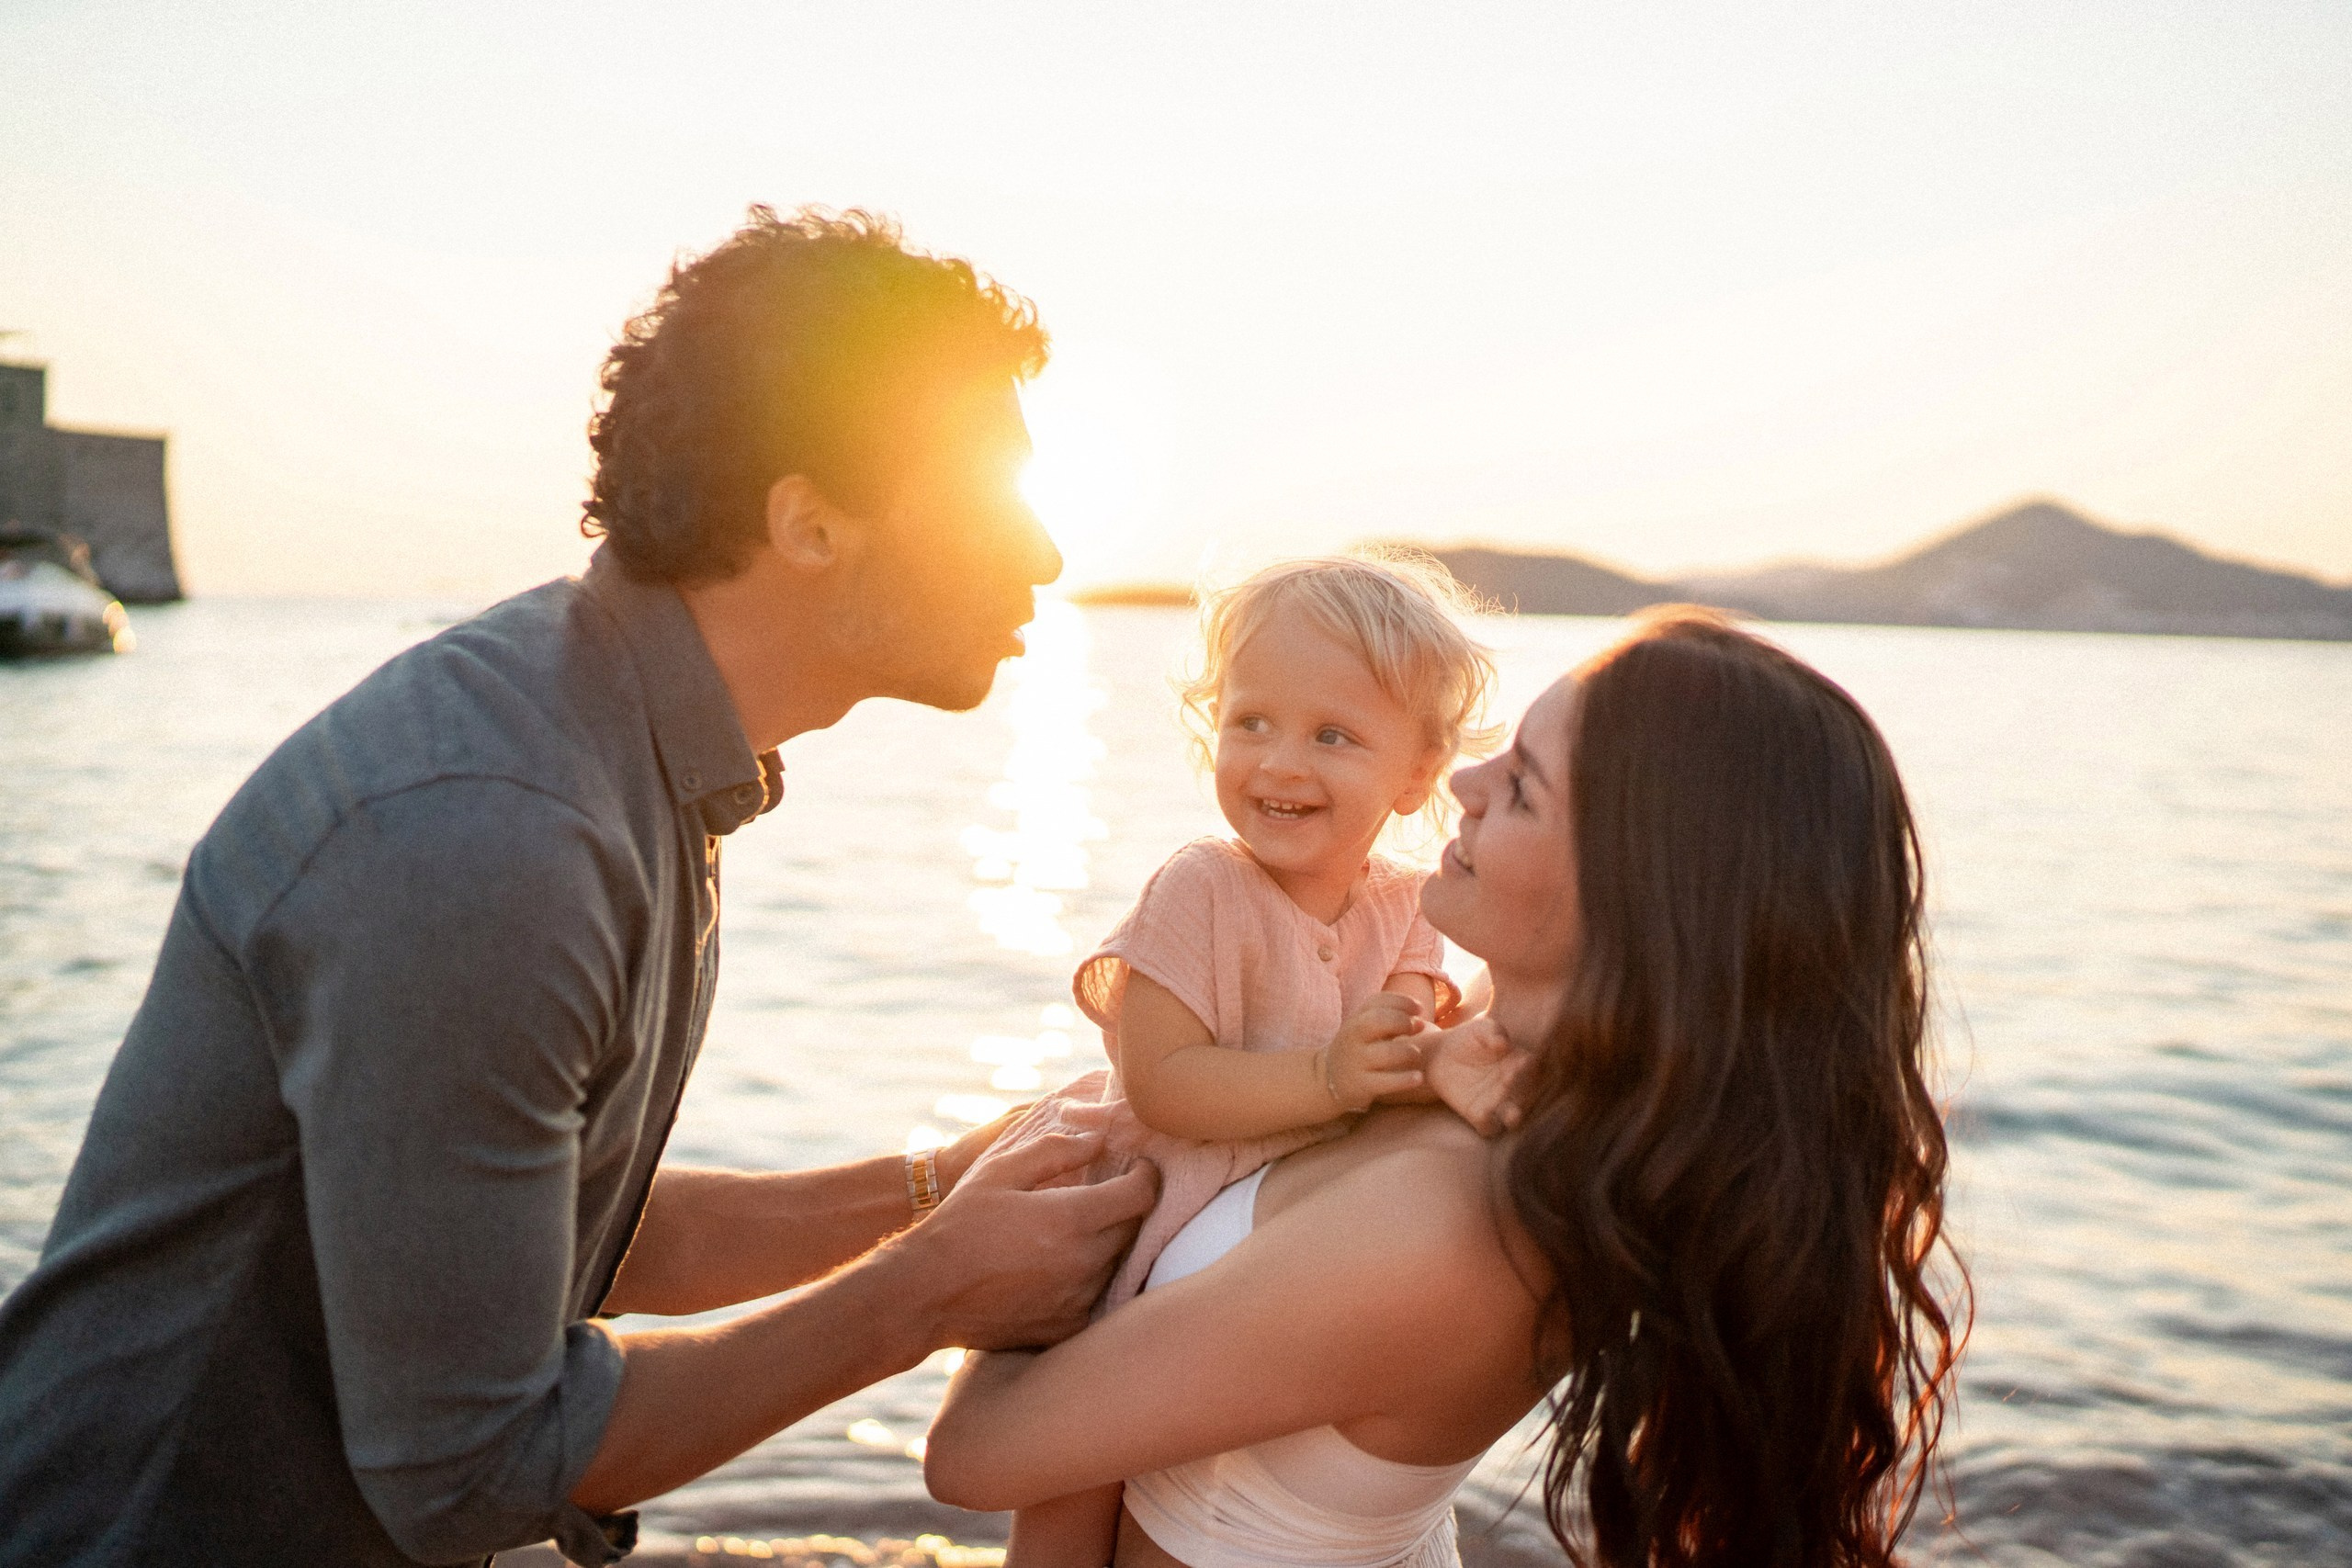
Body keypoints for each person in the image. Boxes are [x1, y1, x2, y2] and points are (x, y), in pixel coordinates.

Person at [0, 207, 1158, 1568]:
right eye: (995, 496)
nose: (1045, 555)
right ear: (808, 522)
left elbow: (539, 1230)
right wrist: (930, 1291)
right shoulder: (492, 837)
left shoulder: (626, 746)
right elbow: (472, 1467)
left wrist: (934, 1191)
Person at [925, 606, 1969, 1568]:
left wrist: (1013, 1229)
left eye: (1520, 788)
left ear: (1638, 891)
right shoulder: (1489, 1061)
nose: (1463, 780)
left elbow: (976, 1455)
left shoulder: (1447, 1225)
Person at [990, 556, 1525, 1566]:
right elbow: (1162, 1083)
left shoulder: (1408, 905)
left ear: (1419, 772)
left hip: (1270, 1264)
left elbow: (1402, 1042)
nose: (1279, 763)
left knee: (1227, 1460)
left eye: (1332, 736)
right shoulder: (1199, 888)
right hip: (1137, 1228)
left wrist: (1439, 1061)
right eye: (1251, 722)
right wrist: (1326, 1078)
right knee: (1067, 1492)